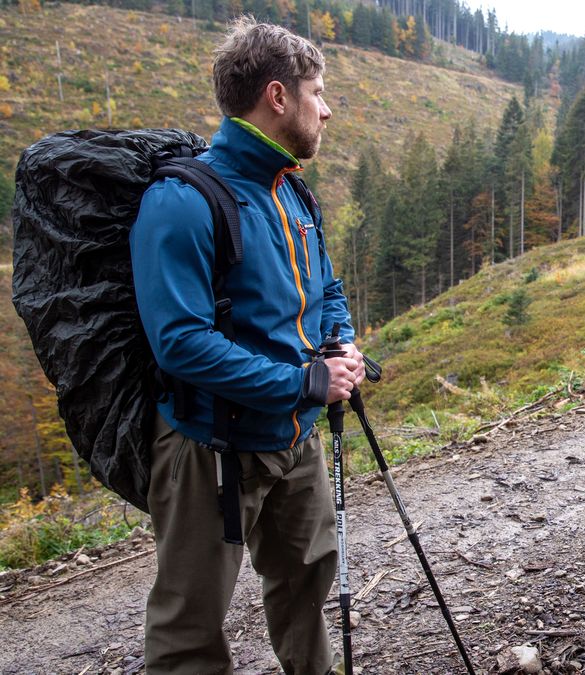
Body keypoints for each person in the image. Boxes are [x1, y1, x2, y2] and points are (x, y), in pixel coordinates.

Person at [130, 18, 364, 675]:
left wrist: (340, 345)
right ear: (278, 96)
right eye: (317, 90)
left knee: (306, 584)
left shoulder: (293, 193)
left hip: (295, 438)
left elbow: (326, 288)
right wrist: (302, 383)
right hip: (210, 450)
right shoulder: (183, 201)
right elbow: (179, 343)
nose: (328, 106)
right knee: (190, 627)